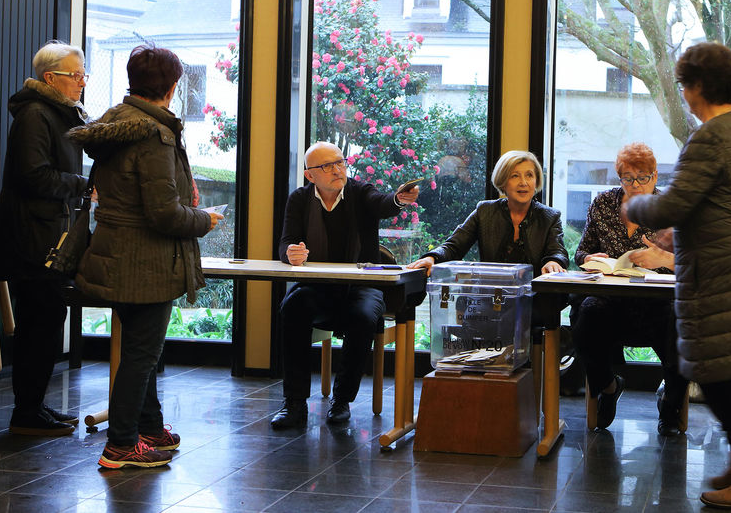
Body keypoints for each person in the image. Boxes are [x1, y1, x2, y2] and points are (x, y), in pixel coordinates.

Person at [624, 42, 731, 510]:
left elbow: (675, 202)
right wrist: (676, 237)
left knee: (729, 376)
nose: (682, 93)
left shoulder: (713, 135)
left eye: (684, 84)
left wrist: (635, 205)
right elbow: (717, 207)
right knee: (729, 373)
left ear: (699, 86)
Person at [68, 45, 223, 468]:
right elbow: (164, 214)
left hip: (115, 253)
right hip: (146, 263)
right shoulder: (154, 134)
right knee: (141, 354)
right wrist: (204, 219)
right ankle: (120, 444)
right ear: (173, 88)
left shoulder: (117, 125)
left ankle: (150, 426)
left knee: (143, 349)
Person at [270, 142, 420, 429]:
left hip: (362, 285)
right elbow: (286, 242)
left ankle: (341, 401)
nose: (337, 169)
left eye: (340, 162)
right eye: (327, 166)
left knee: (363, 316)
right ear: (309, 175)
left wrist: (399, 200)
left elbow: (383, 203)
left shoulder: (360, 192)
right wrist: (291, 253)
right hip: (318, 286)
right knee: (292, 307)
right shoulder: (299, 200)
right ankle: (294, 403)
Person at [0, 41, 89, 436]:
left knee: (46, 321)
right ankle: (26, 413)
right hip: (31, 239)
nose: (82, 82)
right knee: (40, 322)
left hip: (46, 234)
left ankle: (34, 407)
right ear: (51, 78)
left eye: (83, 74)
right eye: (76, 75)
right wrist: (85, 186)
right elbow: (33, 177)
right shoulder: (35, 114)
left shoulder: (57, 113)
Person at [571, 142, 687, 436]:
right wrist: (590, 258)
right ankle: (609, 386)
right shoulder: (603, 204)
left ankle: (670, 405)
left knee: (684, 322)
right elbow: (581, 252)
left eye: (643, 177)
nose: (635, 185)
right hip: (612, 301)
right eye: (628, 178)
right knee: (585, 314)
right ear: (619, 178)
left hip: (660, 305)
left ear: (656, 177)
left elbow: (695, 264)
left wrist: (664, 259)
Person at [406, 150, 567, 276]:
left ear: (537, 181)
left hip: (534, 299)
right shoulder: (485, 211)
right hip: (492, 296)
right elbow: (454, 246)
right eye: (515, 176)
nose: (523, 182)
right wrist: (432, 257)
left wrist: (554, 261)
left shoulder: (550, 216)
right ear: (503, 182)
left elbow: (557, 251)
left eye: (529, 175)